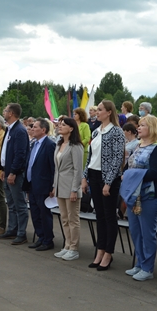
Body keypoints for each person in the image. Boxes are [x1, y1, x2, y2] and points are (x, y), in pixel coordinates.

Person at [81, 100, 125, 271]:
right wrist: (85, 178)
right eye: (97, 110)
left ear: (108, 112)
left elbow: (117, 159)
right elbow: (91, 157)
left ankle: (108, 253)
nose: (96, 112)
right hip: (93, 174)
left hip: (108, 178)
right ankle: (100, 250)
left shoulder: (116, 132)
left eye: (99, 110)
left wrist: (108, 182)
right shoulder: (96, 132)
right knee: (99, 215)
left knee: (109, 216)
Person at [124, 115, 157, 281]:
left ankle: (148, 268)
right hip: (134, 195)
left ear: (152, 129)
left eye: (142, 126)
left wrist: (130, 175)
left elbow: (155, 173)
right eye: (139, 125)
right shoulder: (138, 146)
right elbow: (129, 166)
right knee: (135, 231)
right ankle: (140, 263)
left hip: (150, 195)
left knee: (147, 232)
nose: (138, 128)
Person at [0, 103, 30, 245]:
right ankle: (12, 229)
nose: (3, 112)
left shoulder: (19, 131)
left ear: (11, 113)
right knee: (11, 203)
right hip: (8, 171)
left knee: (19, 204)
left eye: (5, 110)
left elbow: (20, 154)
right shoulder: (10, 129)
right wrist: (4, 169)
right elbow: (6, 152)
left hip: (15, 174)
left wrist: (14, 172)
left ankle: (21, 233)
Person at [51, 117, 83, 261]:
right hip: (60, 185)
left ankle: (74, 248)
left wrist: (74, 189)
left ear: (71, 128)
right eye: (60, 124)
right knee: (64, 218)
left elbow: (78, 169)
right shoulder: (59, 144)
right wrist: (54, 186)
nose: (60, 126)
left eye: (63, 125)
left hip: (71, 186)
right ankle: (67, 245)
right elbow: (57, 168)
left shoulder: (75, 146)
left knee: (73, 218)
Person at [23, 118, 56, 251]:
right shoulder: (33, 144)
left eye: (35, 127)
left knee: (44, 213)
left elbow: (53, 167)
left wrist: (52, 186)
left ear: (43, 130)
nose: (32, 128)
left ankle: (48, 240)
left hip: (43, 185)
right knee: (35, 213)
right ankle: (40, 237)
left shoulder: (49, 145)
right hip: (32, 184)